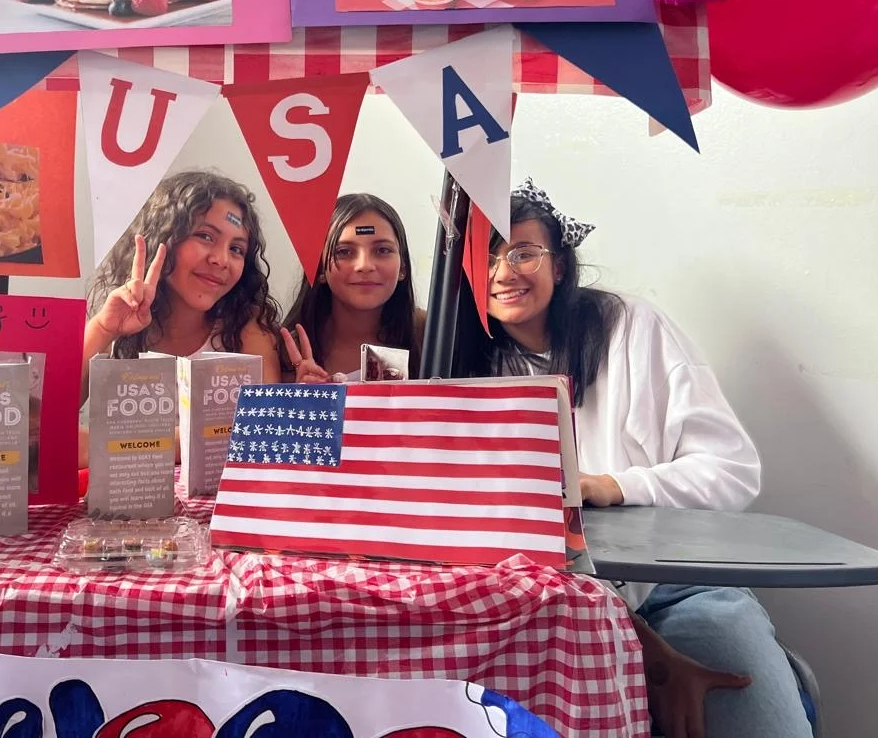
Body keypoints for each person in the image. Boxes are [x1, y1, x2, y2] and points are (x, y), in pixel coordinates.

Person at [455, 179, 810, 738]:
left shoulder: (631, 328)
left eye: (524, 252)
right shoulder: (463, 362)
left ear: (562, 266)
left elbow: (733, 471)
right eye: (488, 258)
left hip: (680, 588)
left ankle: (784, 678)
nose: (505, 272)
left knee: (753, 718)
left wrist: (617, 486)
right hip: (552, 605)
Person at [78, 171, 282, 466]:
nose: (221, 259)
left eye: (236, 249)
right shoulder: (118, 317)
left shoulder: (249, 328)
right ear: (164, 238)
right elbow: (44, 421)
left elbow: (263, 432)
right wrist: (103, 328)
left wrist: (107, 446)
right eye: (205, 236)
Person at [280, 193, 424, 382]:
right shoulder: (285, 351)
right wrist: (297, 401)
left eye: (382, 250)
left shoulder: (429, 333)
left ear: (403, 267)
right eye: (344, 252)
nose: (364, 265)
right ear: (321, 269)